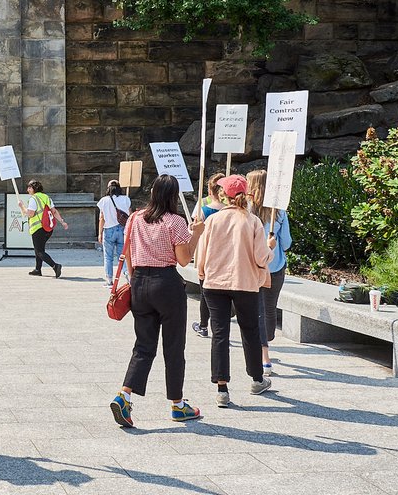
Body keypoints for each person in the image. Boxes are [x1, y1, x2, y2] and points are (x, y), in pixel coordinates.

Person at [109, 174, 205, 428]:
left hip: (139, 281)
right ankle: (177, 404)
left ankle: (124, 396)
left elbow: (127, 252)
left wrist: (134, 278)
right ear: (173, 196)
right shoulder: (176, 222)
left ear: (153, 193)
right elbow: (184, 260)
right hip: (167, 284)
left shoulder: (135, 218)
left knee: (143, 346)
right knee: (173, 347)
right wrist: (196, 234)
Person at [194, 174, 274, 407]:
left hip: (215, 282)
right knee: (249, 330)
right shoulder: (252, 221)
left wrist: (201, 272)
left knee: (220, 334)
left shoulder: (212, 221)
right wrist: (269, 250)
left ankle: (222, 389)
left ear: (223, 195)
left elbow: (202, 253)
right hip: (245, 283)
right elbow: (261, 258)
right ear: (245, 195)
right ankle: (257, 379)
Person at [246, 169, 291, 376]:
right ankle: (267, 342)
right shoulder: (279, 211)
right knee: (269, 309)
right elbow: (287, 243)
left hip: (254, 266)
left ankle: (265, 353)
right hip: (276, 266)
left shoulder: (247, 211)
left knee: (259, 311)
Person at [192, 174, 226, 338]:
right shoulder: (230, 210)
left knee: (205, 293)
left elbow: (194, 231)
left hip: (207, 255)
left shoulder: (203, 208)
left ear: (209, 190)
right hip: (226, 256)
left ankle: (204, 324)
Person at [17, 180, 64, 278]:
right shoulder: (46, 197)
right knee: (39, 249)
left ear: (34, 188)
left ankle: (55, 266)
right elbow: (54, 211)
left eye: (29, 188)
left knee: (39, 251)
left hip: (38, 228)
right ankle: (38, 269)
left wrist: (22, 206)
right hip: (48, 228)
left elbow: (30, 213)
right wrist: (62, 222)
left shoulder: (33, 199)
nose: (27, 190)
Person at [96, 179, 131, 286]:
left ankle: (109, 280)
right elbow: (130, 215)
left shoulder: (104, 200)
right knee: (123, 255)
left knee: (108, 257)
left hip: (109, 230)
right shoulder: (126, 199)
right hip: (122, 229)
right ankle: (127, 275)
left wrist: (100, 233)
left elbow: (102, 218)